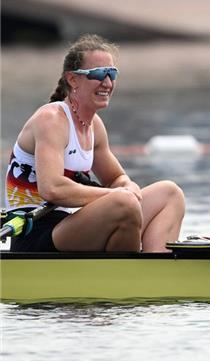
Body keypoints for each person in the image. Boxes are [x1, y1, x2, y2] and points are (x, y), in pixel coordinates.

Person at [4, 35, 186, 252]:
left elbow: (116, 178)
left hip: (71, 225)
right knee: (124, 205)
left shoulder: (94, 126)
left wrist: (127, 187)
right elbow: (52, 188)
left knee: (170, 193)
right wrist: (117, 195)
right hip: (36, 234)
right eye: (99, 74)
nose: (107, 83)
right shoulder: (51, 120)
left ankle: (158, 268)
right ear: (72, 80)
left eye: (112, 74)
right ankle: (128, 275)